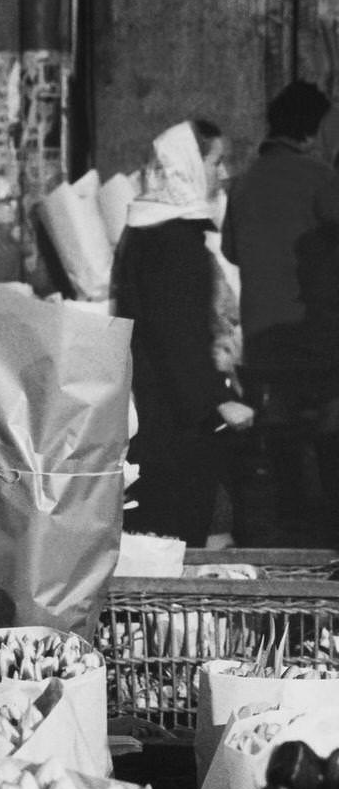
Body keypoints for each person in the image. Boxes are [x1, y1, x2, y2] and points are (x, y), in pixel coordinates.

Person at [113, 121, 254, 545]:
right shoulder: (175, 241)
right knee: (179, 534)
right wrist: (218, 400)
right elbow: (179, 336)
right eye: (216, 162)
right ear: (189, 166)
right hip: (174, 423)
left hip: (151, 412)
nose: (224, 173)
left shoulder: (145, 230)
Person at [222, 80, 339, 537]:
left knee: (277, 440)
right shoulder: (321, 178)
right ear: (313, 130)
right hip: (316, 336)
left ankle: (287, 525)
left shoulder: (244, 183)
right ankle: (321, 531)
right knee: (324, 437)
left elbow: (231, 251)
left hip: (262, 335)